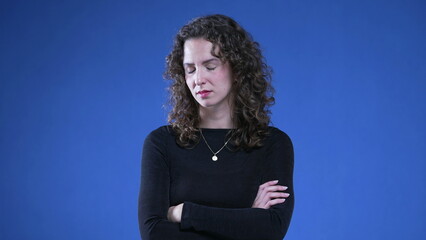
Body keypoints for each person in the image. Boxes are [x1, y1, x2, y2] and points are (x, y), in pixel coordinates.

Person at [138, 14, 294, 240]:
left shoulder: (272, 144)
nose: (198, 79)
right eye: (190, 69)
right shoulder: (161, 143)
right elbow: (154, 233)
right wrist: (247, 219)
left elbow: (271, 230)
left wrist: (183, 213)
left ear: (237, 68)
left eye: (210, 66)